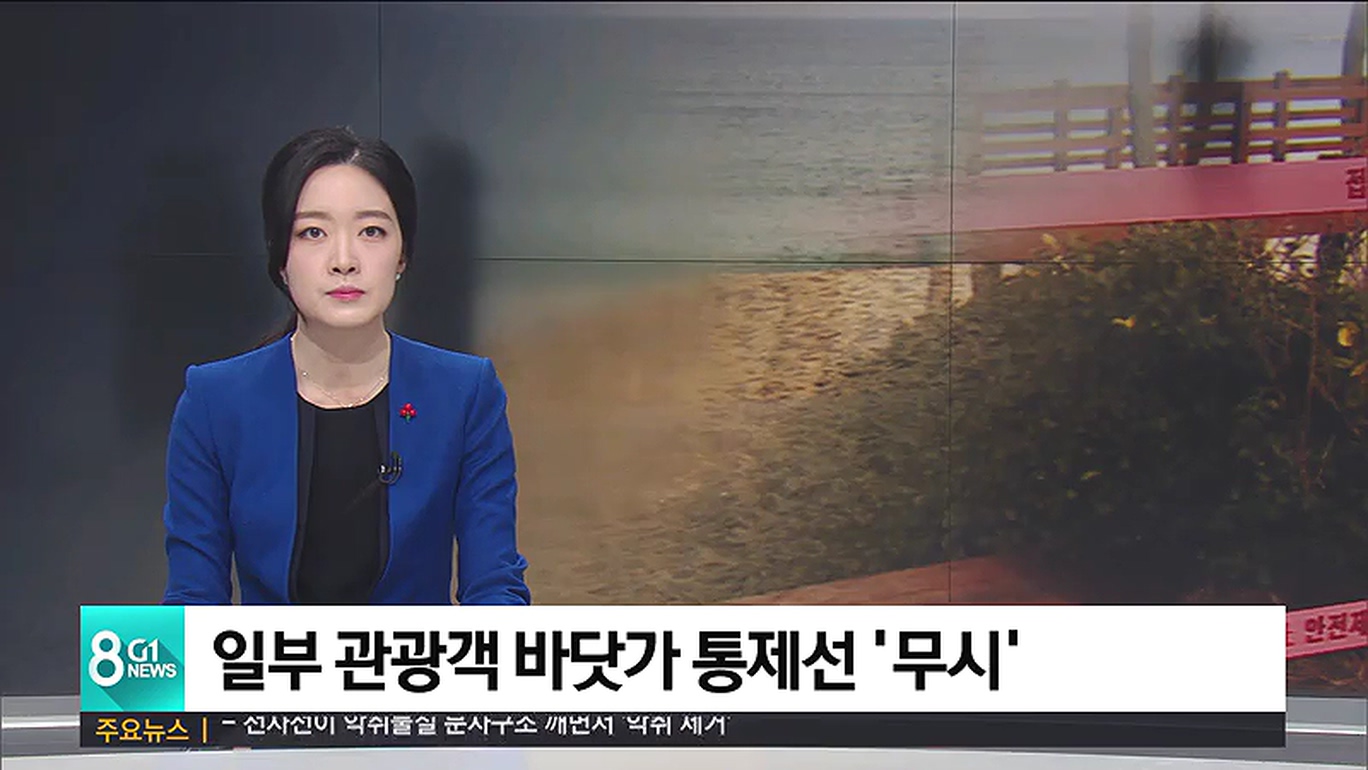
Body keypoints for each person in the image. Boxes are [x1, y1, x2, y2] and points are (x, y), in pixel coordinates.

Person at [161, 126, 530, 606]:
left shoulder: (465, 394)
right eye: (312, 232)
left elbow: (495, 588)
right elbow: (192, 601)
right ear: (280, 258)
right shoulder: (214, 402)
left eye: (371, 231)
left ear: (402, 254)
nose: (344, 260)